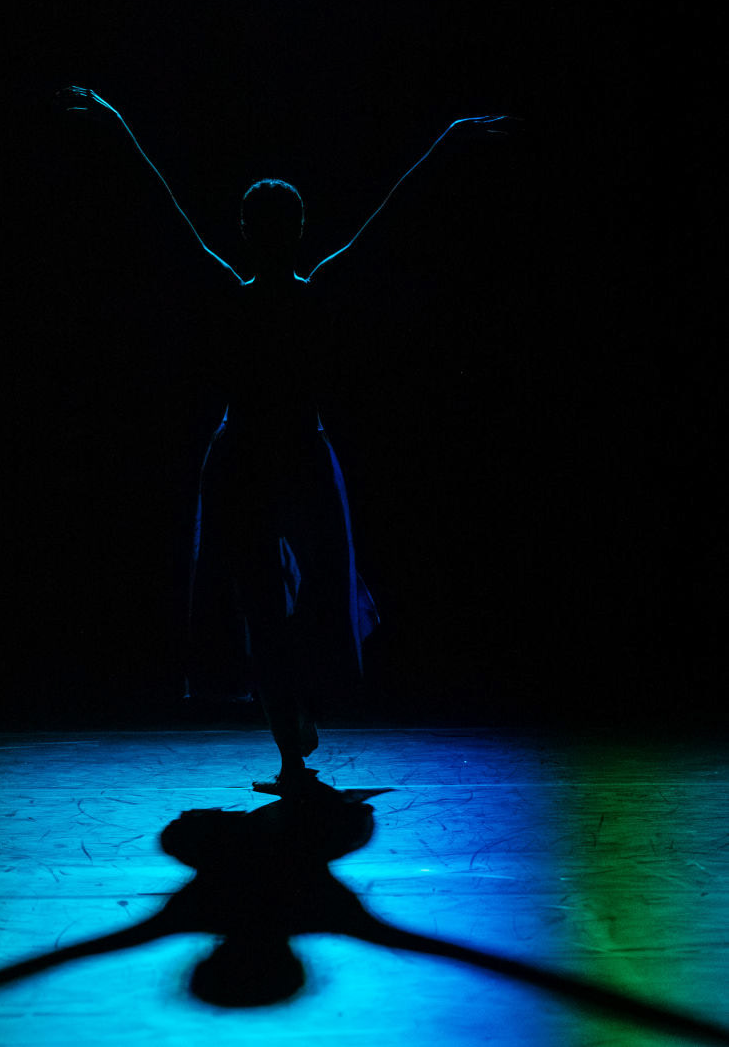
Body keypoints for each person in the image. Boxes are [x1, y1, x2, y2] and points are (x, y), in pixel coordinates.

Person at [55, 87, 508, 794]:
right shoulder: (310, 290)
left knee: (269, 601)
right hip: (285, 452)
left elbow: (163, 208)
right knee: (294, 596)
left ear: (249, 229)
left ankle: (291, 737)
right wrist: (447, 142)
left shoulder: (235, 290)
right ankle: (295, 727)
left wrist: (116, 126)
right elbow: (390, 217)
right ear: (296, 229)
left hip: (255, 455)